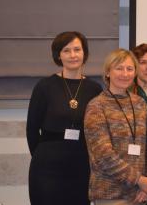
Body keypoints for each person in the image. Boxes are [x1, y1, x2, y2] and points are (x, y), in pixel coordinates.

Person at [26, 31, 103, 205]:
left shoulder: (95, 89)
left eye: (77, 49)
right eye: (66, 50)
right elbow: (31, 129)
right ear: (58, 55)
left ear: (85, 53)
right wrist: (41, 157)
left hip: (81, 165)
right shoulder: (44, 87)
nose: (73, 55)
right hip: (47, 167)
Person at [84, 49, 147, 204]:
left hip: (139, 194)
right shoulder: (96, 106)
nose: (125, 73)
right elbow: (103, 155)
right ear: (108, 72)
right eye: (119, 68)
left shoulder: (140, 104)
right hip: (110, 194)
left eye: (130, 69)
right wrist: (139, 179)